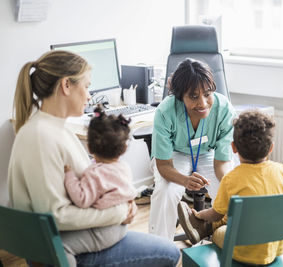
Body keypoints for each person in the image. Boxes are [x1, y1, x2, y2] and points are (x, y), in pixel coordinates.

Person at [8, 50, 180, 266]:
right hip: (64, 250)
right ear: (66, 86)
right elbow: (54, 215)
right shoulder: (42, 137)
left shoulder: (56, 130)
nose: (90, 96)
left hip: (79, 237)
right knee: (170, 253)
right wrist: (118, 212)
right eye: (87, 86)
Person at [177, 110, 283, 265]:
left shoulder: (231, 178)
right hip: (276, 246)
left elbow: (216, 213)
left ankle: (204, 227)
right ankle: (204, 227)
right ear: (271, 148)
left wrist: (200, 214)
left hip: (243, 249)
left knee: (221, 229)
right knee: (235, 215)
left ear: (233, 148)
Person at [149, 58, 236, 240]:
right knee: (165, 192)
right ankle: (158, 248)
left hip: (208, 154)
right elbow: (163, 164)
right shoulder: (166, 111)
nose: (203, 103)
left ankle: (232, 242)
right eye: (194, 96)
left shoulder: (224, 109)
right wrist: (185, 180)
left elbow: (222, 161)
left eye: (208, 94)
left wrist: (228, 185)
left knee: (231, 189)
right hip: (173, 157)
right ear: (180, 97)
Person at [62, 106, 137, 266]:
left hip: (104, 231)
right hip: (121, 226)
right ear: (123, 149)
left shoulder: (94, 173)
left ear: (88, 147)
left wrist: (69, 176)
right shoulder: (124, 167)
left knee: (61, 247)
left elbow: (82, 200)